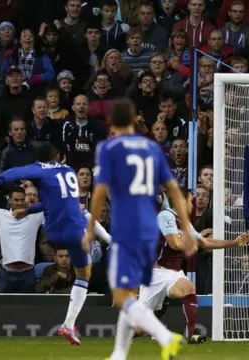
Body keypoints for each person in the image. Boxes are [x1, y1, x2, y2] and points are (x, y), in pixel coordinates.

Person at [83, 98, 196, 360]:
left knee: (123, 296)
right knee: (129, 292)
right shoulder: (151, 147)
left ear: (112, 123)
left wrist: (91, 227)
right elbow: (174, 192)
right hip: (149, 228)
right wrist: (187, 228)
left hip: (128, 228)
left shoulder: (110, 148)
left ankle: (166, 337)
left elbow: (100, 191)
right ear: (134, 120)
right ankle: (120, 353)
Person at [0, 143, 99, 345]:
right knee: (85, 273)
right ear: (57, 156)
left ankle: (68, 325)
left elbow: (16, 172)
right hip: (72, 229)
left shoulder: (38, 169)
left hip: (53, 230)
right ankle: (68, 324)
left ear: (37, 159)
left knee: (81, 234)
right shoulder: (68, 170)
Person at [137, 187, 249, 343]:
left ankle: (190, 336)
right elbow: (175, 243)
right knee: (137, 327)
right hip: (155, 274)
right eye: (191, 200)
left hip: (173, 273)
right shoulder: (166, 216)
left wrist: (234, 242)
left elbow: (204, 242)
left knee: (189, 289)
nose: (192, 205)